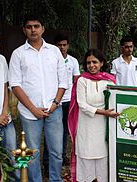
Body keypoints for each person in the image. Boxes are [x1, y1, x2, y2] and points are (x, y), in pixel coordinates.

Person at [9, 16, 68, 182]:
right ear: (24, 30)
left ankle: (56, 179)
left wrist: (55, 103)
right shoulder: (18, 54)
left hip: (53, 110)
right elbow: (15, 85)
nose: (33, 30)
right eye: (29, 27)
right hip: (29, 113)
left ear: (43, 28)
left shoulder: (54, 51)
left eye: (36, 26)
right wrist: (33, 109)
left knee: (56, 151)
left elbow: (63, 81)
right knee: (32, 152)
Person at [68, 49, 119, 182]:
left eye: (95, 62)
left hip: (103, 127)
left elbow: (115, 101)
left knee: (103, 158)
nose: (92, 65)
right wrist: (104, 112)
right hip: (86, 127)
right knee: (86, 156)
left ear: (101, 63)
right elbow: (82, 105)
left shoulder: (110, 81)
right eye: (89, 62)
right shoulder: (82, 81)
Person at [43, 34, 80, 171]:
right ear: (55, 46)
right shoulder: (49, 60)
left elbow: (77, 81)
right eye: (59, 45)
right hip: (55, 102)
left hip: (69, 101)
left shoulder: (73, 61)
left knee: (65, 131)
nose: (62, 47)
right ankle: (47, 161)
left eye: (64, 45)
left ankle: (62, 156)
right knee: (50, 132)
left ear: (68, 46)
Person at [0, 27, 19, 181]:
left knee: (12, 157)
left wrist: (3, 113)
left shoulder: (0, 59)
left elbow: (4, 87)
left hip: (4, 119)